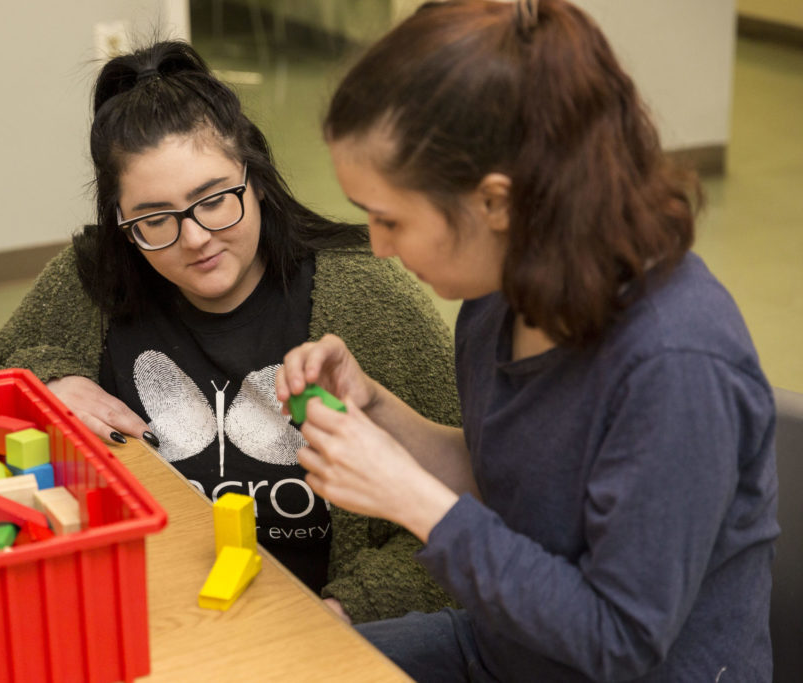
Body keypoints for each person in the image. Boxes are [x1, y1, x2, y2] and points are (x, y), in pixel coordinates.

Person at [276, 1, 780, 680]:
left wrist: (413, 500)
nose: (379, 248)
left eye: (389, 218)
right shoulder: (498, 292)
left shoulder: (675, 362)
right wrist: (376, 411)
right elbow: (516, 479)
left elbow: (617, 639)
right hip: (510, 651)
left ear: (496, 203)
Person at [0, 40, 460, 622]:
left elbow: (466, 519)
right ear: (121, 224)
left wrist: (345, 612)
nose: (195, 237)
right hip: (146, 616)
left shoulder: (370, 298)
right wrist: (46, 385)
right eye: (154, 219)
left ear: (255, 178)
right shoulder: (91, 278)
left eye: (215, 199)